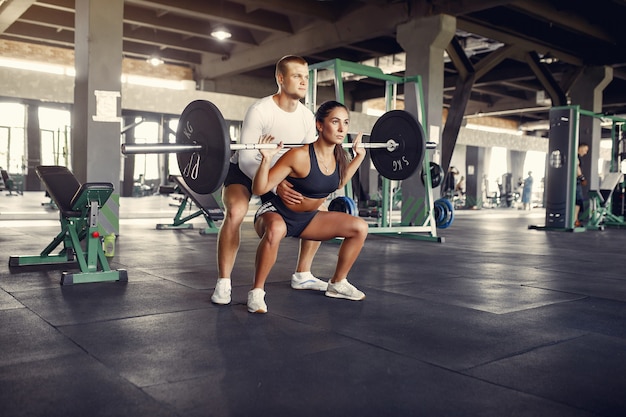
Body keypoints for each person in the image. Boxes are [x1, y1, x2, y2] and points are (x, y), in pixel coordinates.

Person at [211, 55, 326, 305]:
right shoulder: (260, 110)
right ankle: (224, 282)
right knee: (236, 212)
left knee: (319, 204)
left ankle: (303, 274)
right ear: (280, 79)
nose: (304, 82)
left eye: (306, 77)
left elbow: (305, 159)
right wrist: (274, 185)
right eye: (297, 76)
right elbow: (246, 158)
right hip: (247, 169)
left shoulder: (307, 117)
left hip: (282, 172)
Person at [247, 100, 369, 313]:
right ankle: (257, 292)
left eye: (346, 123)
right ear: (320, 125)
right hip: (277, 213)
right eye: (335, 122)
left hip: (308, 219)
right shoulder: (299, 155)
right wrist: (266, 159)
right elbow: (260, 188)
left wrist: (359, 157)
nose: (342, 129)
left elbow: (338, 182)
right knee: (275, 230)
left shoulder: (339, 156)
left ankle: (337, 283)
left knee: (359, 227)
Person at [574, 142, 589, 227]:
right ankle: (575, 220)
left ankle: (574, 220)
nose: (585, 152)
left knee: (576, 201)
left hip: (575, 181)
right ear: (580, 147)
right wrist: (582, 178)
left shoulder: (576, 156)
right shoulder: (575, 157)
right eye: (585, 150)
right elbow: (577, 168)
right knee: (578, 201)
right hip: (576, 182)